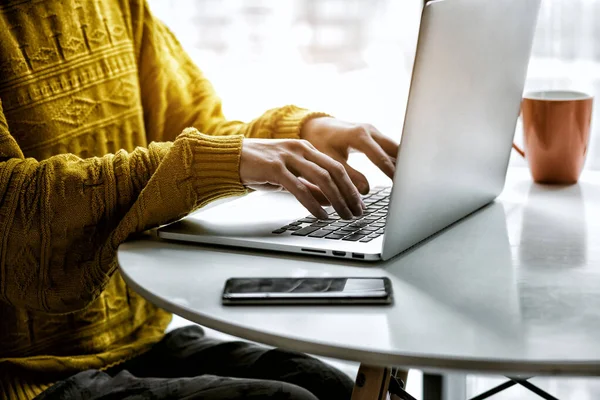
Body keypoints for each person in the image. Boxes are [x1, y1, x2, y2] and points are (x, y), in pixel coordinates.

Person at [0, 0, 398, 399]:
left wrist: (302, 134)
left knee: (331, 387)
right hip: (23, 376)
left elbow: (196, 130)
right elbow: (12, 209)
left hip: (140, 339)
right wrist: (221, 159)